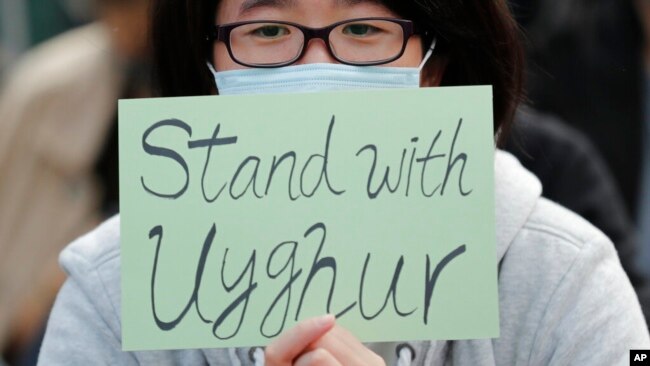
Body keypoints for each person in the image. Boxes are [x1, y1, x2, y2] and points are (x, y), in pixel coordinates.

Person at [38, 0, 650, 365]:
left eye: (362, 30)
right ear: (207, 66)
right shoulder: (112, 294)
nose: (317, 70)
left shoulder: (564, 282)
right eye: (268, 31)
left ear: (433, 64)